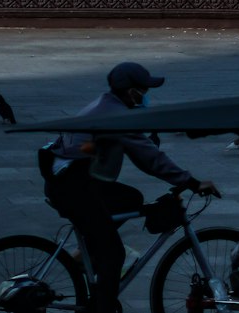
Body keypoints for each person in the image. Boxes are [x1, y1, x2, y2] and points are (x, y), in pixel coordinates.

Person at [42, 61, 220, 313]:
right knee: (114, 253)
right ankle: (102, 308)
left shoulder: (107, 104)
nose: (147, 96)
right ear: (131, 92)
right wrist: (191, 182)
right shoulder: (117, 115)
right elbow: (149, 158)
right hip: (73, 188)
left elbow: (145, 156)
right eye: (144, 90)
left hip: (72, 182)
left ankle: (88, 253)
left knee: (130, 199)